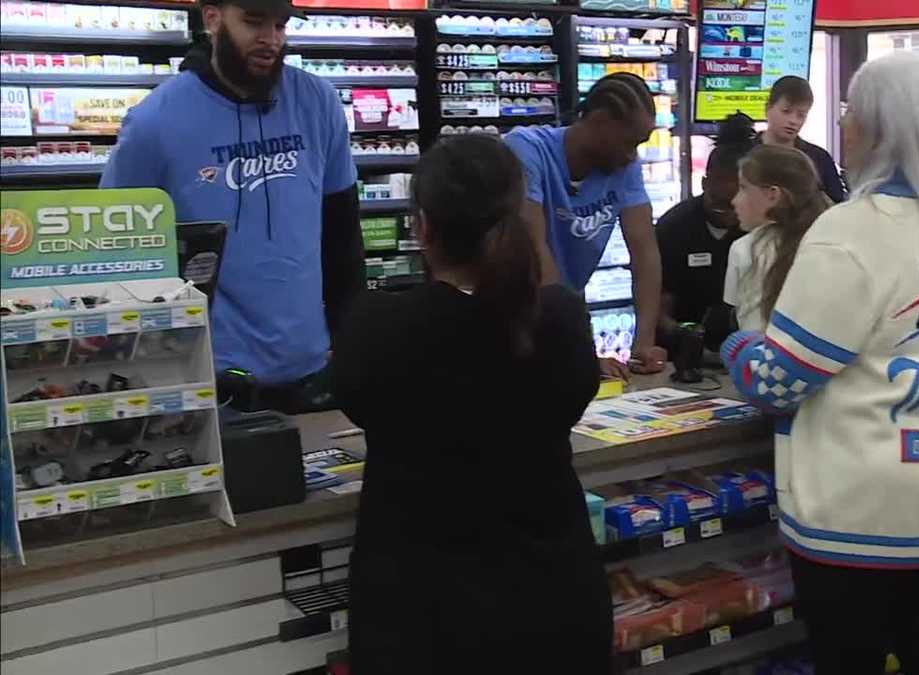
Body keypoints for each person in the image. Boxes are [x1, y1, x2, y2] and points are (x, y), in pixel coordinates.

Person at [722, 52, 919, 675]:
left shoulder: (851, 232)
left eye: (849, 112)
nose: (842, 126)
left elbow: (775, 381)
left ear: (878, 128)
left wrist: (736, 345)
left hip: (859, 512)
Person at [332, 135, 611, 673]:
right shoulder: (560, 320)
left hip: (421, 620)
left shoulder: (376, 327)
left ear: (423, 226)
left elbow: (358, 397)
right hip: (555, 606)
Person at [101, 0, 362, 412]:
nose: (270, 40)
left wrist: (350, 342)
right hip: (206, 379)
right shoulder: (153, 122)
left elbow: (342, 234)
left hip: (312, 372)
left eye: (280, 25)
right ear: (212, 19)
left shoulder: (317, 102)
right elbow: (120, 256)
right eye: (254, 22)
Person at [504, 72, 666, 377]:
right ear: (600, 121)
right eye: (630, 143)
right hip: (514, 314)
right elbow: (533, 250)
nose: (632, 155)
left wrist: (644, 342)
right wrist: (576, 353)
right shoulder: (526, 149)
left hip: (565, 308)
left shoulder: (625, 166)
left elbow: (645, 253)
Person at [656, 113, 756, 351]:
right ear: (704, 184)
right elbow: (656, 307)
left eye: (732, 203)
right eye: (716, 200)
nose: (725, 211)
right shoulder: (674, 227)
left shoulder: (759, 229)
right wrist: (683, 335)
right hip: (683, 351)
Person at [724, 144, 832, 332]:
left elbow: (737, 317)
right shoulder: (829, 240)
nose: (734, 200)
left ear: (772, 195)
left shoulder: (745, 249)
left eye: (743, 188)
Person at [759, 75, 846, 203]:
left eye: (801, 115)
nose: (793, 121)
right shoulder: (744, 153)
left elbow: (837, 207)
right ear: (768, 108)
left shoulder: (819, 158)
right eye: (786, 111)